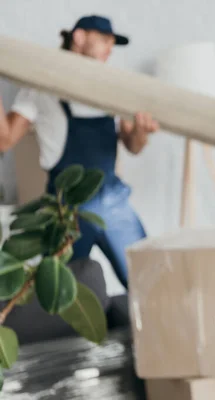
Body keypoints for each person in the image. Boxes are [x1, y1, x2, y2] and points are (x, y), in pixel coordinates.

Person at [0, 15, 158, 289]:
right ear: (80, 37)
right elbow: (4, 139)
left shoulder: (113, 87)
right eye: (105, 41)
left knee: (149, 284)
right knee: (59, 296)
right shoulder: (41, 85)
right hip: (65, 212)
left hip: (113, 203)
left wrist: (142, 131)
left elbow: (132, 145)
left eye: (113, 44)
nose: (110, 49)